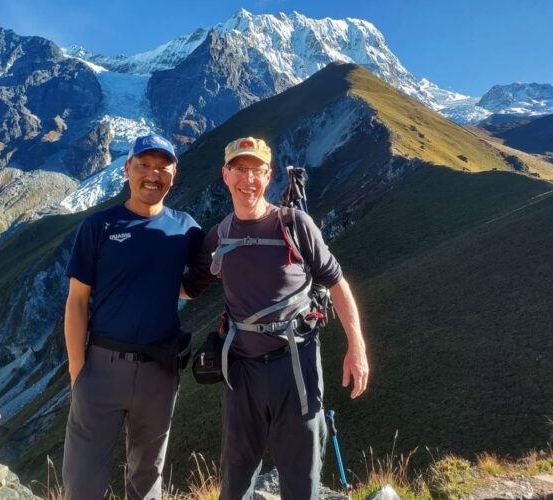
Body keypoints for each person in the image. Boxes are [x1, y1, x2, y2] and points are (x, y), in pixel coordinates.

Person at [182, 137, 369, 499]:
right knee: (235, 478)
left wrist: (356, 347)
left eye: (256, 171)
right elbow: (190, 288)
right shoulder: (217, 238)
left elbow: (337, 283)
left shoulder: (295, 225)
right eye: (240, 169)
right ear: (225, 174)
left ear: (268, 177)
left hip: (296, 365)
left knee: (301, 478)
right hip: (241, 371)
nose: (247, 179)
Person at [62, 133, 202, 500]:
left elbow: (190, 284)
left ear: (174, 174)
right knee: (83, 480)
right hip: (100, 367)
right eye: (143, 165)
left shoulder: (185, 227)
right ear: (127, 170)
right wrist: (78, 370)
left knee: (147, 476)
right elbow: (77, 300)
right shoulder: (99, 226)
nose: (153, 175)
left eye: (162, 167)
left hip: (160, 369)